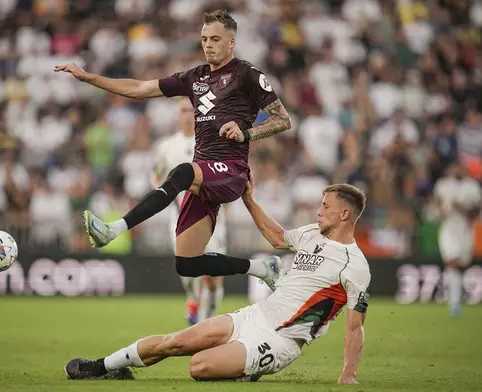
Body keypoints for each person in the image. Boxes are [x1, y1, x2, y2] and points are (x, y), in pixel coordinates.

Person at [54, 9, 292, 287]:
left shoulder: (247, 74)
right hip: (203, 174)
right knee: (187, 264)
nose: (208, 45)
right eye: (204, 39)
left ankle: (113, 229)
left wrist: (246, 133)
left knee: (181, 172)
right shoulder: (195, 77)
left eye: (215, 39)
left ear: (232, 43)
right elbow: (140, 88)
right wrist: (90, 78)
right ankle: (263, 268)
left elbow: (283, 119)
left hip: (231, 170)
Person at [64, 176, 371, 384]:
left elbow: (355, 327)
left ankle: (245, 370)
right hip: (255, 315)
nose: (318, 212)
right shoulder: (310, 233)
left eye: (325, 207)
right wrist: (249, 200)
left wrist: (349, 373)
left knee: (199, 366)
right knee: (176, 342)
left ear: (345, 215)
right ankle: (105, 367)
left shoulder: (354, 264)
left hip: (281, 340)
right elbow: (277, 237)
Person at [152, 98, 228, 325]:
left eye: (191, 111)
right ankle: (192, 298)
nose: (187, 115)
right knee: (187, 269)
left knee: (213, 277)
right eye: (183, 110)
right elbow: (156, 176)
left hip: (211, 216)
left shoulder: (212, 143)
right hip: (180, 217)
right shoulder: (166, 147)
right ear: (177, 114)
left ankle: (207, 321)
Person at [433, 161, 482, 317]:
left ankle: (456, 299)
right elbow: (437, 205)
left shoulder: (472, 187)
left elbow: (477, 212)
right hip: (448, 228)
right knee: (451, 262)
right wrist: (442, 209)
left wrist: (462, 205)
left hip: (465, 229)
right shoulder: (443, 185)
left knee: (461, 266)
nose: (456, 170)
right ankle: (454, 304)